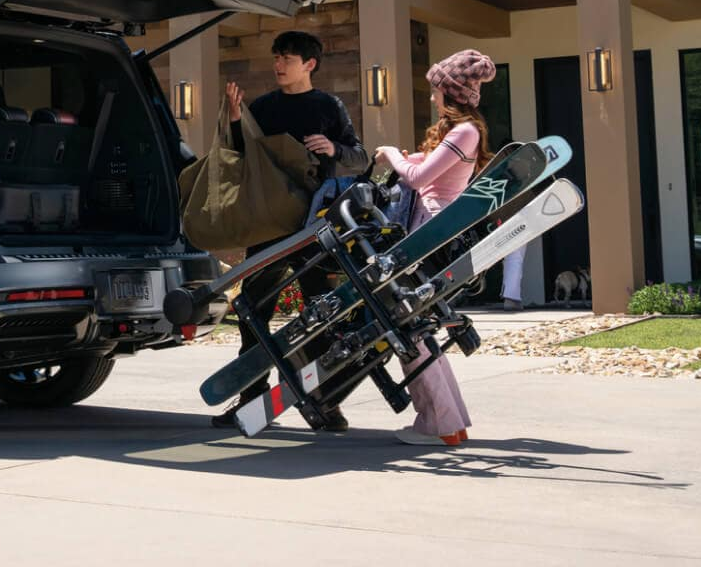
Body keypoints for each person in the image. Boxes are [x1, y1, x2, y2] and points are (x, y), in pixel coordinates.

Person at [213, 30, 370, 430]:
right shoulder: (263, 107)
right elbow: (238, 156)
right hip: (268, 226)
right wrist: (235, 119)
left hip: (315, 228)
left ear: (309, 64)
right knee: (252, 311)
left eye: (287, 58)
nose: (278, 64)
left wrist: (333, 149)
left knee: (319, 313)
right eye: (276, 57)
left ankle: (324, 401)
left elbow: (359, 157)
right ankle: (250, 400)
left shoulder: (328, 106)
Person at [373, 48, 498, 447]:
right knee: (416, 328)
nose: (431, 96)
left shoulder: (465, 132)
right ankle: (449, 422)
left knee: (408, 328)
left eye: (436, 89)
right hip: (429, 233)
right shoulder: (462, 132)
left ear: (451, 92)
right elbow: (428, 168)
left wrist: (390, 155)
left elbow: (417, 178)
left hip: (429, 237)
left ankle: (438, 424)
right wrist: (407, 160)